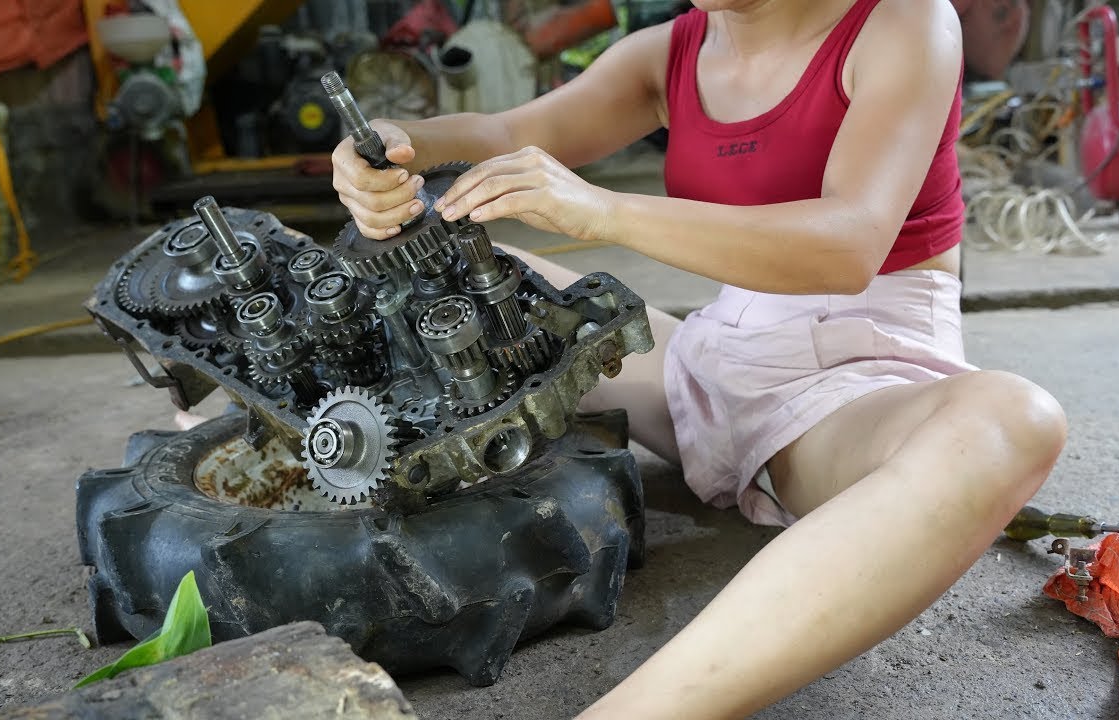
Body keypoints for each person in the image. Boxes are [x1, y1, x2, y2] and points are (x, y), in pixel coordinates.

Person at [328, 0, 1068, 717]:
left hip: (855, 389)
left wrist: (603, 210)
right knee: (439, 270)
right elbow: (508, 131)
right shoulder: (672, 51)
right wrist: (395, 144)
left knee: (1011, 422)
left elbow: (849, 244)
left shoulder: (902, 21)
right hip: (711, 361)